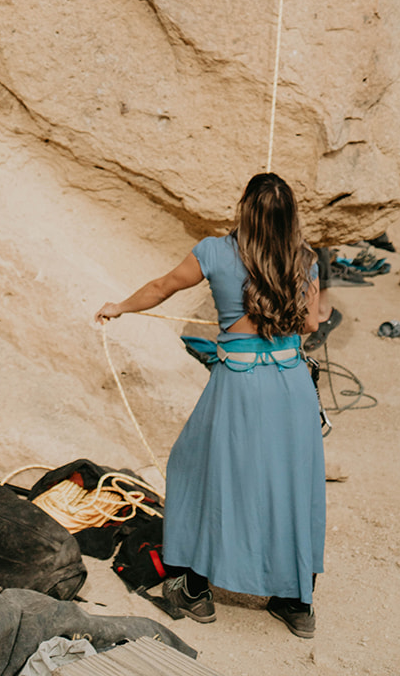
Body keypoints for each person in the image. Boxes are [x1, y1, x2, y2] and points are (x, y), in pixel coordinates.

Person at [95, 172, 325, 638]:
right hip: (291, 386)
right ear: (290, 218)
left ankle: (195, 590)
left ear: (243, 209)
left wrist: (118, 306)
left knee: (201, 472)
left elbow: (162, 287)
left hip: (240, 386)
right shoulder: (306, 260)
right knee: (288, 483)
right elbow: (309, 327)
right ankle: (296, 603)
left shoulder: (214, 252)